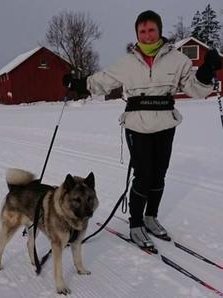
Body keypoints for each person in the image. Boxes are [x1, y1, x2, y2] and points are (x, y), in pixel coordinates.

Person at [62, 10, 222, 252]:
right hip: (137, 126)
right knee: (144, 175)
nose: (147, 36)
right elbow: (102, 80)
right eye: (142, 31)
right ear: (137, 34)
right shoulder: (127, 62)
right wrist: (79, 84)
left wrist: (207, 69)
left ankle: (151, 217)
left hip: (166, 125)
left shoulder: (178, 60)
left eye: (151, 30)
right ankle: (136, 223)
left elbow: (196, 90)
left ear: (159, 31)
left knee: (159, 175)